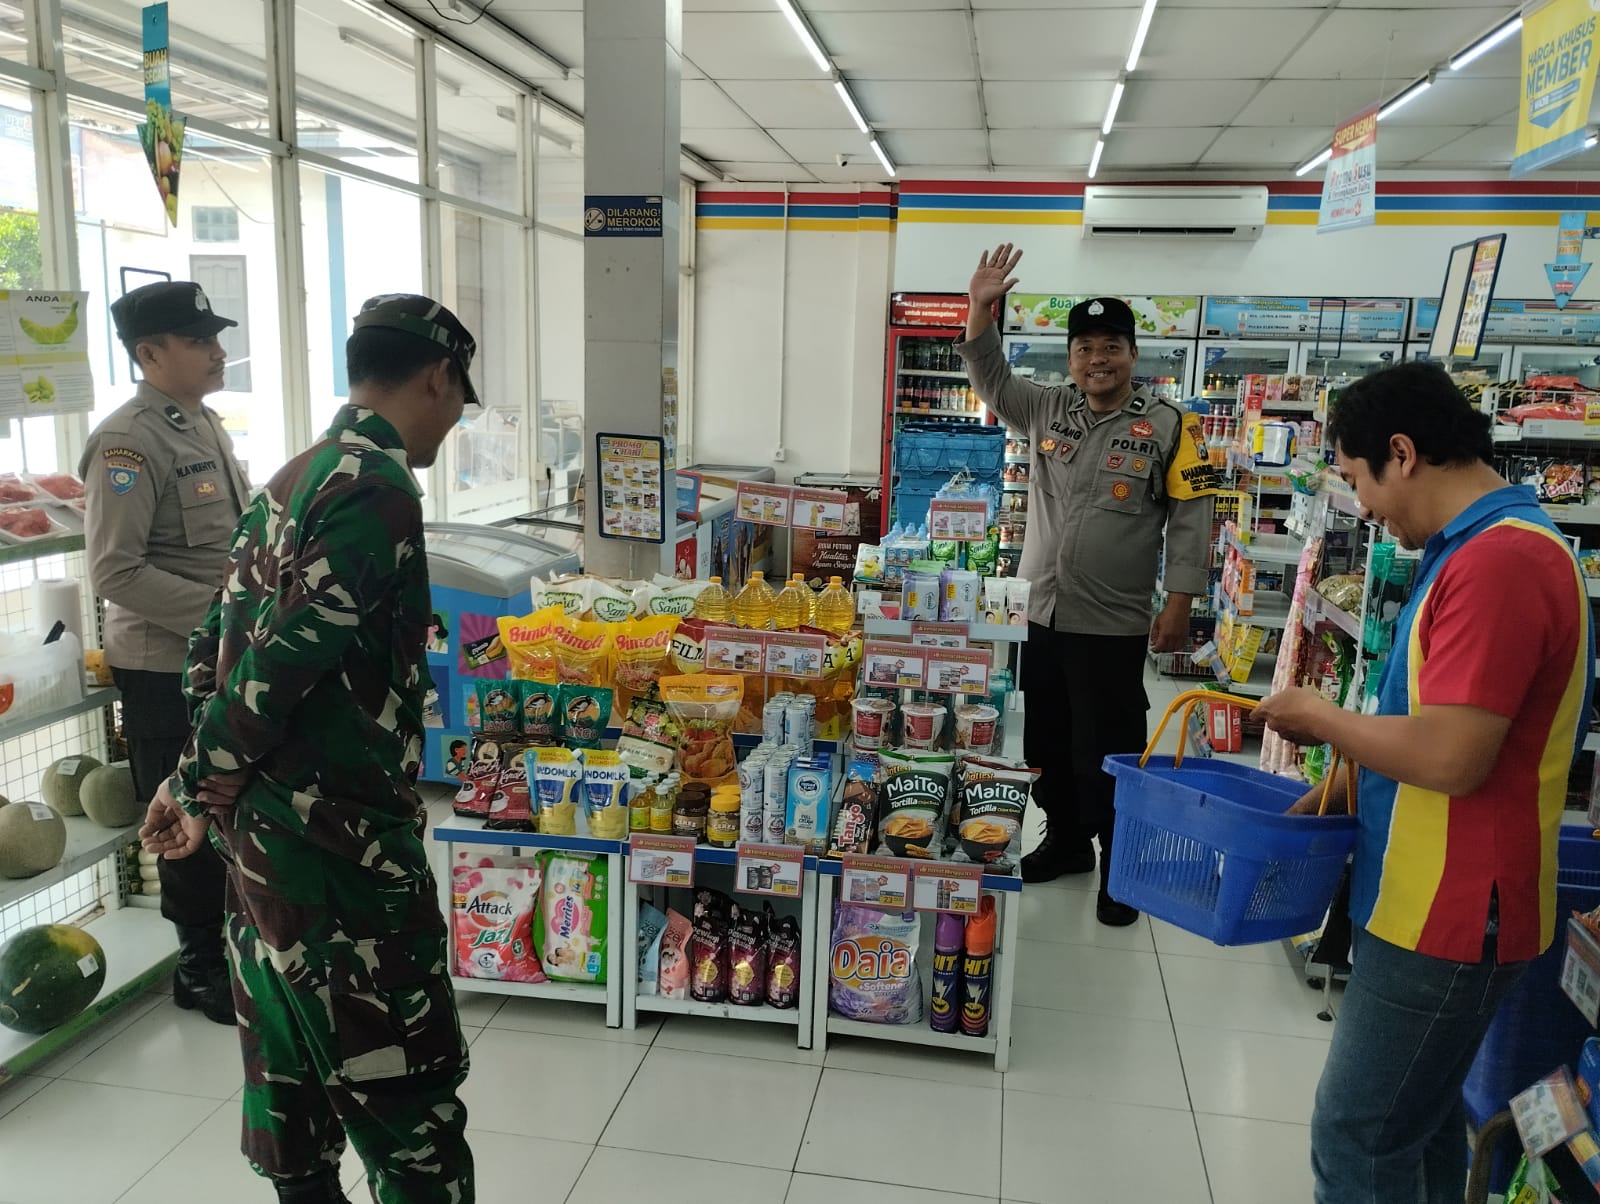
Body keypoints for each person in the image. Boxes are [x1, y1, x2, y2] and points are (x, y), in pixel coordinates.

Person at [139, 294, 481, 1204]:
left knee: (291, 1088)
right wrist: (198, 783)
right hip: (339, 850)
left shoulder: (295, 476)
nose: (455, 416)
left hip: (258, 846)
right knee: (407, 1102)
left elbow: (212, 646)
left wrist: (192, 783)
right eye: (459, 396)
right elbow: (280, 664)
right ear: (437, 376)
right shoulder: (377, 488)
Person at [1255, 361, 1594, 1203]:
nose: (1362, 505)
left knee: (1357, 1137)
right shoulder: (1470, 550)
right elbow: (1419, 721)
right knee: (1422, 1124)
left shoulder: (1501, 564)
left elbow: (1452, 757)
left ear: (1402, 454)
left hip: (1451, 910)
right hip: (1421, 893)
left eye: (1357, 478)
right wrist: (1332, 797)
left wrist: (1318, 717)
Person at [955, 243, 1221, 922]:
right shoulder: (1047, 409)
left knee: (1105, 750)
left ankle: (1116, 867)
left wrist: (1180, 605)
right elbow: (989, 374)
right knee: (1046, 741)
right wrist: (980, 307)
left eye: (1110, 347)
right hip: (1041, 615)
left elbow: (1192, 518)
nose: (1096, 359)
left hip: (1113, 623)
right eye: (1084, 349)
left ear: (1132, 354)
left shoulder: (1170, 427)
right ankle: (1067, 841)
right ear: (1071, 357)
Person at [80, 280, 252, 1026]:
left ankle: (234, 950)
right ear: (150, 353)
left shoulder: (203, 424)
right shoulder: (127, 441)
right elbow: (115, 571)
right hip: (162, 665)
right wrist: (225, 615)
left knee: (226, 800)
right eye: (199, 340)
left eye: (215, 338)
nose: (217, 351)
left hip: (215, 655)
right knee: (183, 807)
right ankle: (199, 965)